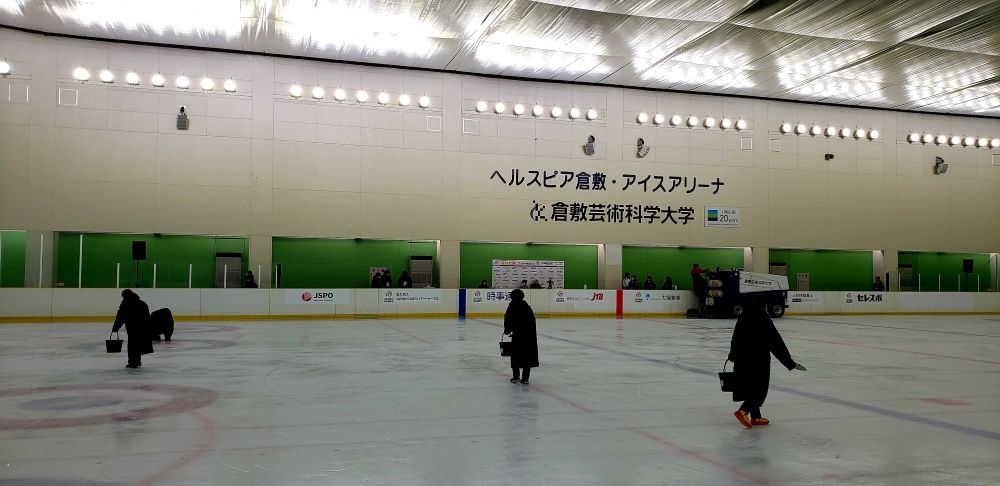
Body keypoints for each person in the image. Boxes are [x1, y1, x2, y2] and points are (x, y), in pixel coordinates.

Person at [728, 294, 806, 428]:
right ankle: (743, 410)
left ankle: (756, 417)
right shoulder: (763, 318)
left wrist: (733, 355)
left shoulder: (744, 316)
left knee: (750, 386)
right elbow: (775, 342)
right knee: (759, 387)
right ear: (765, 305)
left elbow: (736, 337)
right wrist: (789, 362)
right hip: (758, 360)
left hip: (742, 359)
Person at [503, 289, 539, 384]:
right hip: (529, 337)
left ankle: (516, 376)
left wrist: (507, 330)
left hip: (517, 336)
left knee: (515, 355)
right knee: (527, 356)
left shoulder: (512, 306)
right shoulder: (527, 306)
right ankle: (525, 378)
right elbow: (532, 322)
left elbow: (508, 319)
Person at [111, 289, 153, 369]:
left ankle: (133, 362)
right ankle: (137, 360)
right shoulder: (142, 303)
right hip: (142, 328)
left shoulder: (125, 304)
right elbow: (147, 317)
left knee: (132, 344)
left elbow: (120, 317)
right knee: (138, 343)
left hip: (132, 328)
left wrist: (115, 328)